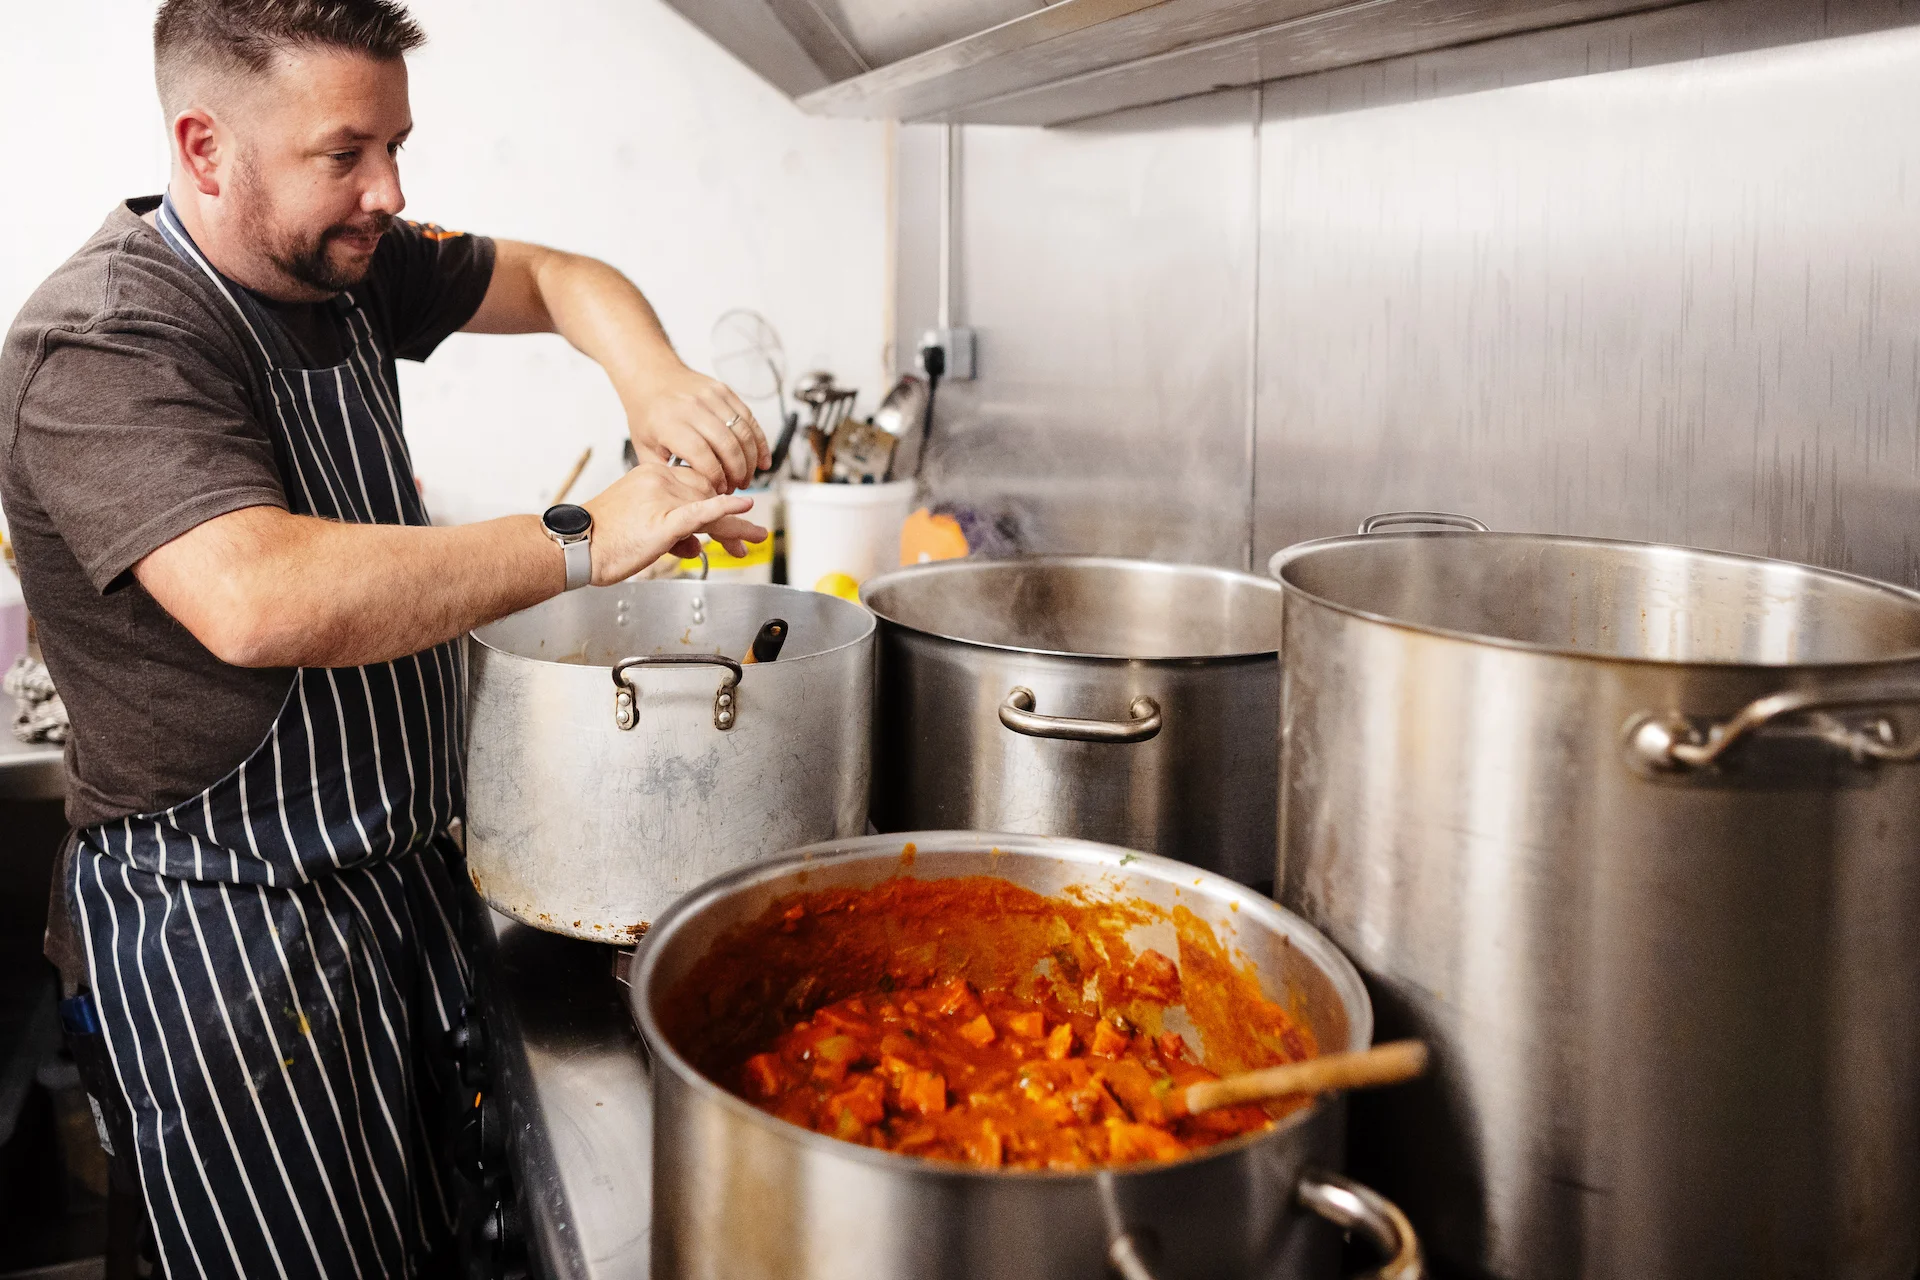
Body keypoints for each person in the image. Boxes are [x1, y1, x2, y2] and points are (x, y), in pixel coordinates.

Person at [0, 1, 769, 1274]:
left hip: (394, 885)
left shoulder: (345, 258)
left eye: (397, 145)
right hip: (224, 938)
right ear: (205, 147)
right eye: (345, 153)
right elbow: (261, 596)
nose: (389, 190)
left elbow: (568, 279)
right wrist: (587, 532)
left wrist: (655, 381)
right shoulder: (103, 338)